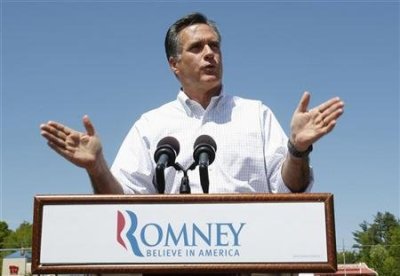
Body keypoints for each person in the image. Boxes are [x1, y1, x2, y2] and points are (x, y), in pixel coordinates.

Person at [40, 12, 344, 196]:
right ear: (174, 64)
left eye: (215, 45)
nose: (210, 53)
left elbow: (291, 189)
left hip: (254, 264)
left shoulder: (256, 114)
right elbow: (122, 201)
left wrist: (298, 149)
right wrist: (96, 168)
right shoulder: (150, 125)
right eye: (197, 48)